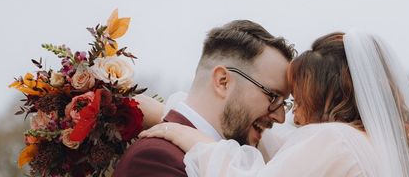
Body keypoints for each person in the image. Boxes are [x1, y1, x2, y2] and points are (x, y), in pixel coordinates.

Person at [141, 30, 409, 177]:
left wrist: (194, 139)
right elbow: (276, 143)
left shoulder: (334, 139)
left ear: (326, 96)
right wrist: (171, 111)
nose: (292, 114)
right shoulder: (374, 147)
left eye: (296, 100)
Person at [113, 20, 296, 177]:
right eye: (273, 96)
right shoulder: (156, 159)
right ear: (222, 82)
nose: (280, 117)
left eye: (284, 103)